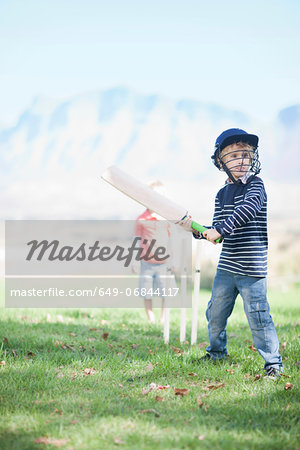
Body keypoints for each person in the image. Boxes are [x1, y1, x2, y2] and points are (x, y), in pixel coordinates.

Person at [179, 128, 283, 379]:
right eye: (234, 155)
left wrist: (221, 229)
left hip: (251, 268)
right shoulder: (221, 194)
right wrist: (195, 228)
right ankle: (216, 352)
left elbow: (246, 211)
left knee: (258, 317)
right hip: (226, 267)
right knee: (215, 312)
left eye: (246, 154)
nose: (242, 159)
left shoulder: (256, 186)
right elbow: (218, 231)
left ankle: (273, 364)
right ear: (220, 162)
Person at [132, 181, 174, 324]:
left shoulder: (166, 218)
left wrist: (174, 260)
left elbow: (171, 239)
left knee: (165, 291)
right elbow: (136, 241)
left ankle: (163, 318)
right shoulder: (142, 219)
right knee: (146, 290)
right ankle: (151, 318)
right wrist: (134, 261)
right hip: (146, 262)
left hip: (164, 262)